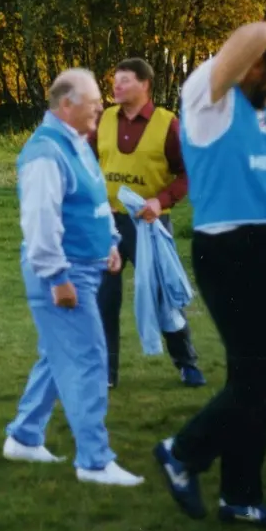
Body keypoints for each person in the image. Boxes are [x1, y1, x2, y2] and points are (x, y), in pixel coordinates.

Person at [152, 22, 266, 528]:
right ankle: (182, 451)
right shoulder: (209, 95)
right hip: (229, 247)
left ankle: (241, 497)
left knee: (254, 377)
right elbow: (250, 36)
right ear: (256, 63)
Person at [3, 68, 144, 487]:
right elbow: (40, 223)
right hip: (62, 273)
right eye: (94, 100)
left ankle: (24, 438)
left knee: (57, 356)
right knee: (88, 361)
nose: (102, 105)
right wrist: (57, 277)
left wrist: (112, 244)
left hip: (86, 265)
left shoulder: (76, 143)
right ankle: (95, 462)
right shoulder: (46, 153)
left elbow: (94, 201)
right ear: (66, 104)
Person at [91, 58, 205, 389]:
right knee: (104, 298)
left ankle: (187, 364)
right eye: (115, 79)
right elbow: (85, 163)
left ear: (145, 85)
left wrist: (161, 201)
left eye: (124, 80)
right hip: (108, 222)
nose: (116, 86)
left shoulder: (167, 123)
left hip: (149, 224)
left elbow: (188, 174)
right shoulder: (103, 119)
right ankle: (106, 374)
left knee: (161, 296)